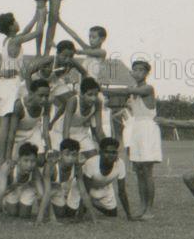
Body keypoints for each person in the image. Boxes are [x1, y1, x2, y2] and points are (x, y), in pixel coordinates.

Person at [105, 61, 162, 219]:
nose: (137, 72)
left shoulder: (148, 88)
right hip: (136, 129)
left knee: (147, 171)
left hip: (148, 129)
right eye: (135, 69)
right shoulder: (133, 92)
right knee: (138, 171)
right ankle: (142, 207)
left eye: (141, 70)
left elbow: (126, 90)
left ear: (146, 73)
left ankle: (149, 209)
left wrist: (101, 89)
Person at [0, 11, 45, 162]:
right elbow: (38, 32)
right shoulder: (16, 41)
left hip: (5, 84)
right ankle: (3, 157)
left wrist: (35, 16)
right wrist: (42, 17)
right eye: (15, 21)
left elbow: (25, 32)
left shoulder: (8, 41)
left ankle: (3, 156)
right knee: (6, 124)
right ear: (11, 26)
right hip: (10, 85)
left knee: (7, 122)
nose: (18, 23)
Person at [0, 142, 44, 224]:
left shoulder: (35, 171)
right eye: (26, 160)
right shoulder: (8, 167)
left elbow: (42, 194)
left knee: (15, 213)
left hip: (10, 187)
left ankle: (4, 203)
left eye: (32, 161)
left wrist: (39, 219)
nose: (29, 164)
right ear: (19, 160)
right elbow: (0, 192)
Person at [78, 137, 140, 220]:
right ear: (100, 152)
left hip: (104, 186)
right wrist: (80, 217)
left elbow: (122, 191)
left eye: (114, 152)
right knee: (70, 212)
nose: (111, 155)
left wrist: (129, 216)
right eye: (107, 152)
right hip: (85, 187)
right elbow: (85, 191)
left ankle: (93, 203)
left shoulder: (120, 164)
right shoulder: (91, 163)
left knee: (112, 213)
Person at [36, 138, 94, 224]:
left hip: (55, 188)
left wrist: (94, 218)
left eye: (74, 155)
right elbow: (46, 192)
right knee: (42, 195)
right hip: (39, 188)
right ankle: (43, 210)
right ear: (60, 154)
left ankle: (62, 200)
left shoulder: (77, 168)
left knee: (61, 213)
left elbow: (83, 192)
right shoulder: (51, 166)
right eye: (67, 154)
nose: (70, 158)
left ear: (77, 155)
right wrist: (46, 219)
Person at [5, 79, 51, 163]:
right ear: (32, 94)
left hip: (33, 131)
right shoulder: (19, 105)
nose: (44, 99)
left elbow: (46, 132)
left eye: (47, 96)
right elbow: (12, 133)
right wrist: (8, 157)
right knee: (17, 161)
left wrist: (49, 150)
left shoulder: (46, 105)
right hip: (17, 135)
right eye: (41, 95)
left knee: (40, 161)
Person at [62, 77, 105, 159]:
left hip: (81, 132)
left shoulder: (97, 103)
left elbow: (99, 129)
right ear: (81, 94)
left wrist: (106, 148)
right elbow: (65, 130)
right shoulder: (73, 101)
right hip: (64, 132)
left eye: (96, 95)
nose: (93, 98)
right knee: (70, 159)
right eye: (90, 95)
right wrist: (67, 149)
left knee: (94, 157)